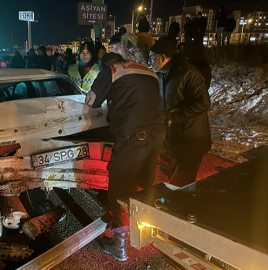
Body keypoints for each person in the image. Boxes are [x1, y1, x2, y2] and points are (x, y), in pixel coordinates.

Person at [85, 33, 163, 261]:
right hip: (156, 138)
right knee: (142, 189)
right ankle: (143, 234)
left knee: (119, 192)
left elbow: (91, 102)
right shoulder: (149, 72)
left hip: (132, 142)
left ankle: (119, 247)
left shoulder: (112, 70)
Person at [149, 38, 211, 188]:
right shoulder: (163, 74)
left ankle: (182, 208)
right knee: (174, 176)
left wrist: (172, 115)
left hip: (191, 139)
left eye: (152, 57)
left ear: (163, 57)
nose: (150, 61)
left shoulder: (188, 73)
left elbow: (203, 103)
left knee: (182, 182)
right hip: (176, 137)